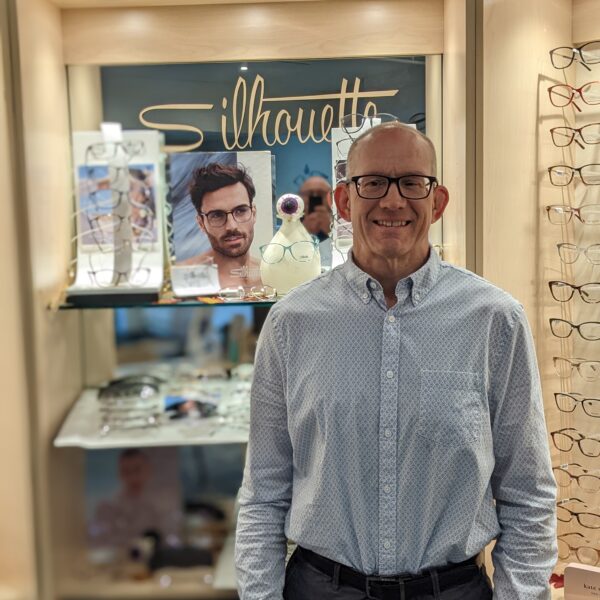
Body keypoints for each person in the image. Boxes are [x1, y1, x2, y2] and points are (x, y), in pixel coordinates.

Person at [235, 122, 557, 600]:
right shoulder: (291, 324)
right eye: (373, 183)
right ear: (345, 201)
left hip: (452, 589)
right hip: (322, 587)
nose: (392, 201)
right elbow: (264, 492)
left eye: (411, 182)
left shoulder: (494, 320)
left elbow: (527, 494)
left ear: (437, 201)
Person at [179, 163, 261, 288]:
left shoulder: (271, 275)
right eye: (217, 215)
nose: (231, 226)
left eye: (240, 211)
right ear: (201, 223)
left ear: (253, 213)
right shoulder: (185, 278)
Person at [90, 449, 180, 549]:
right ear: (120, 474)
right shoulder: (107, 508)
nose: (133, 477)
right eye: (126, 472)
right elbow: (99, 542)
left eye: (137, 470)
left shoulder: (163, 505)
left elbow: (172, 538)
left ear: (148, 470)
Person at [298, 175, 334, 242]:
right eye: (309, 193)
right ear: (300, 196)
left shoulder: (339, 223)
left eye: (321, 193)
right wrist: (302, 231)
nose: (315, 196)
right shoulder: (291, 221)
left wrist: (331, 231)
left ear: (330, 196)